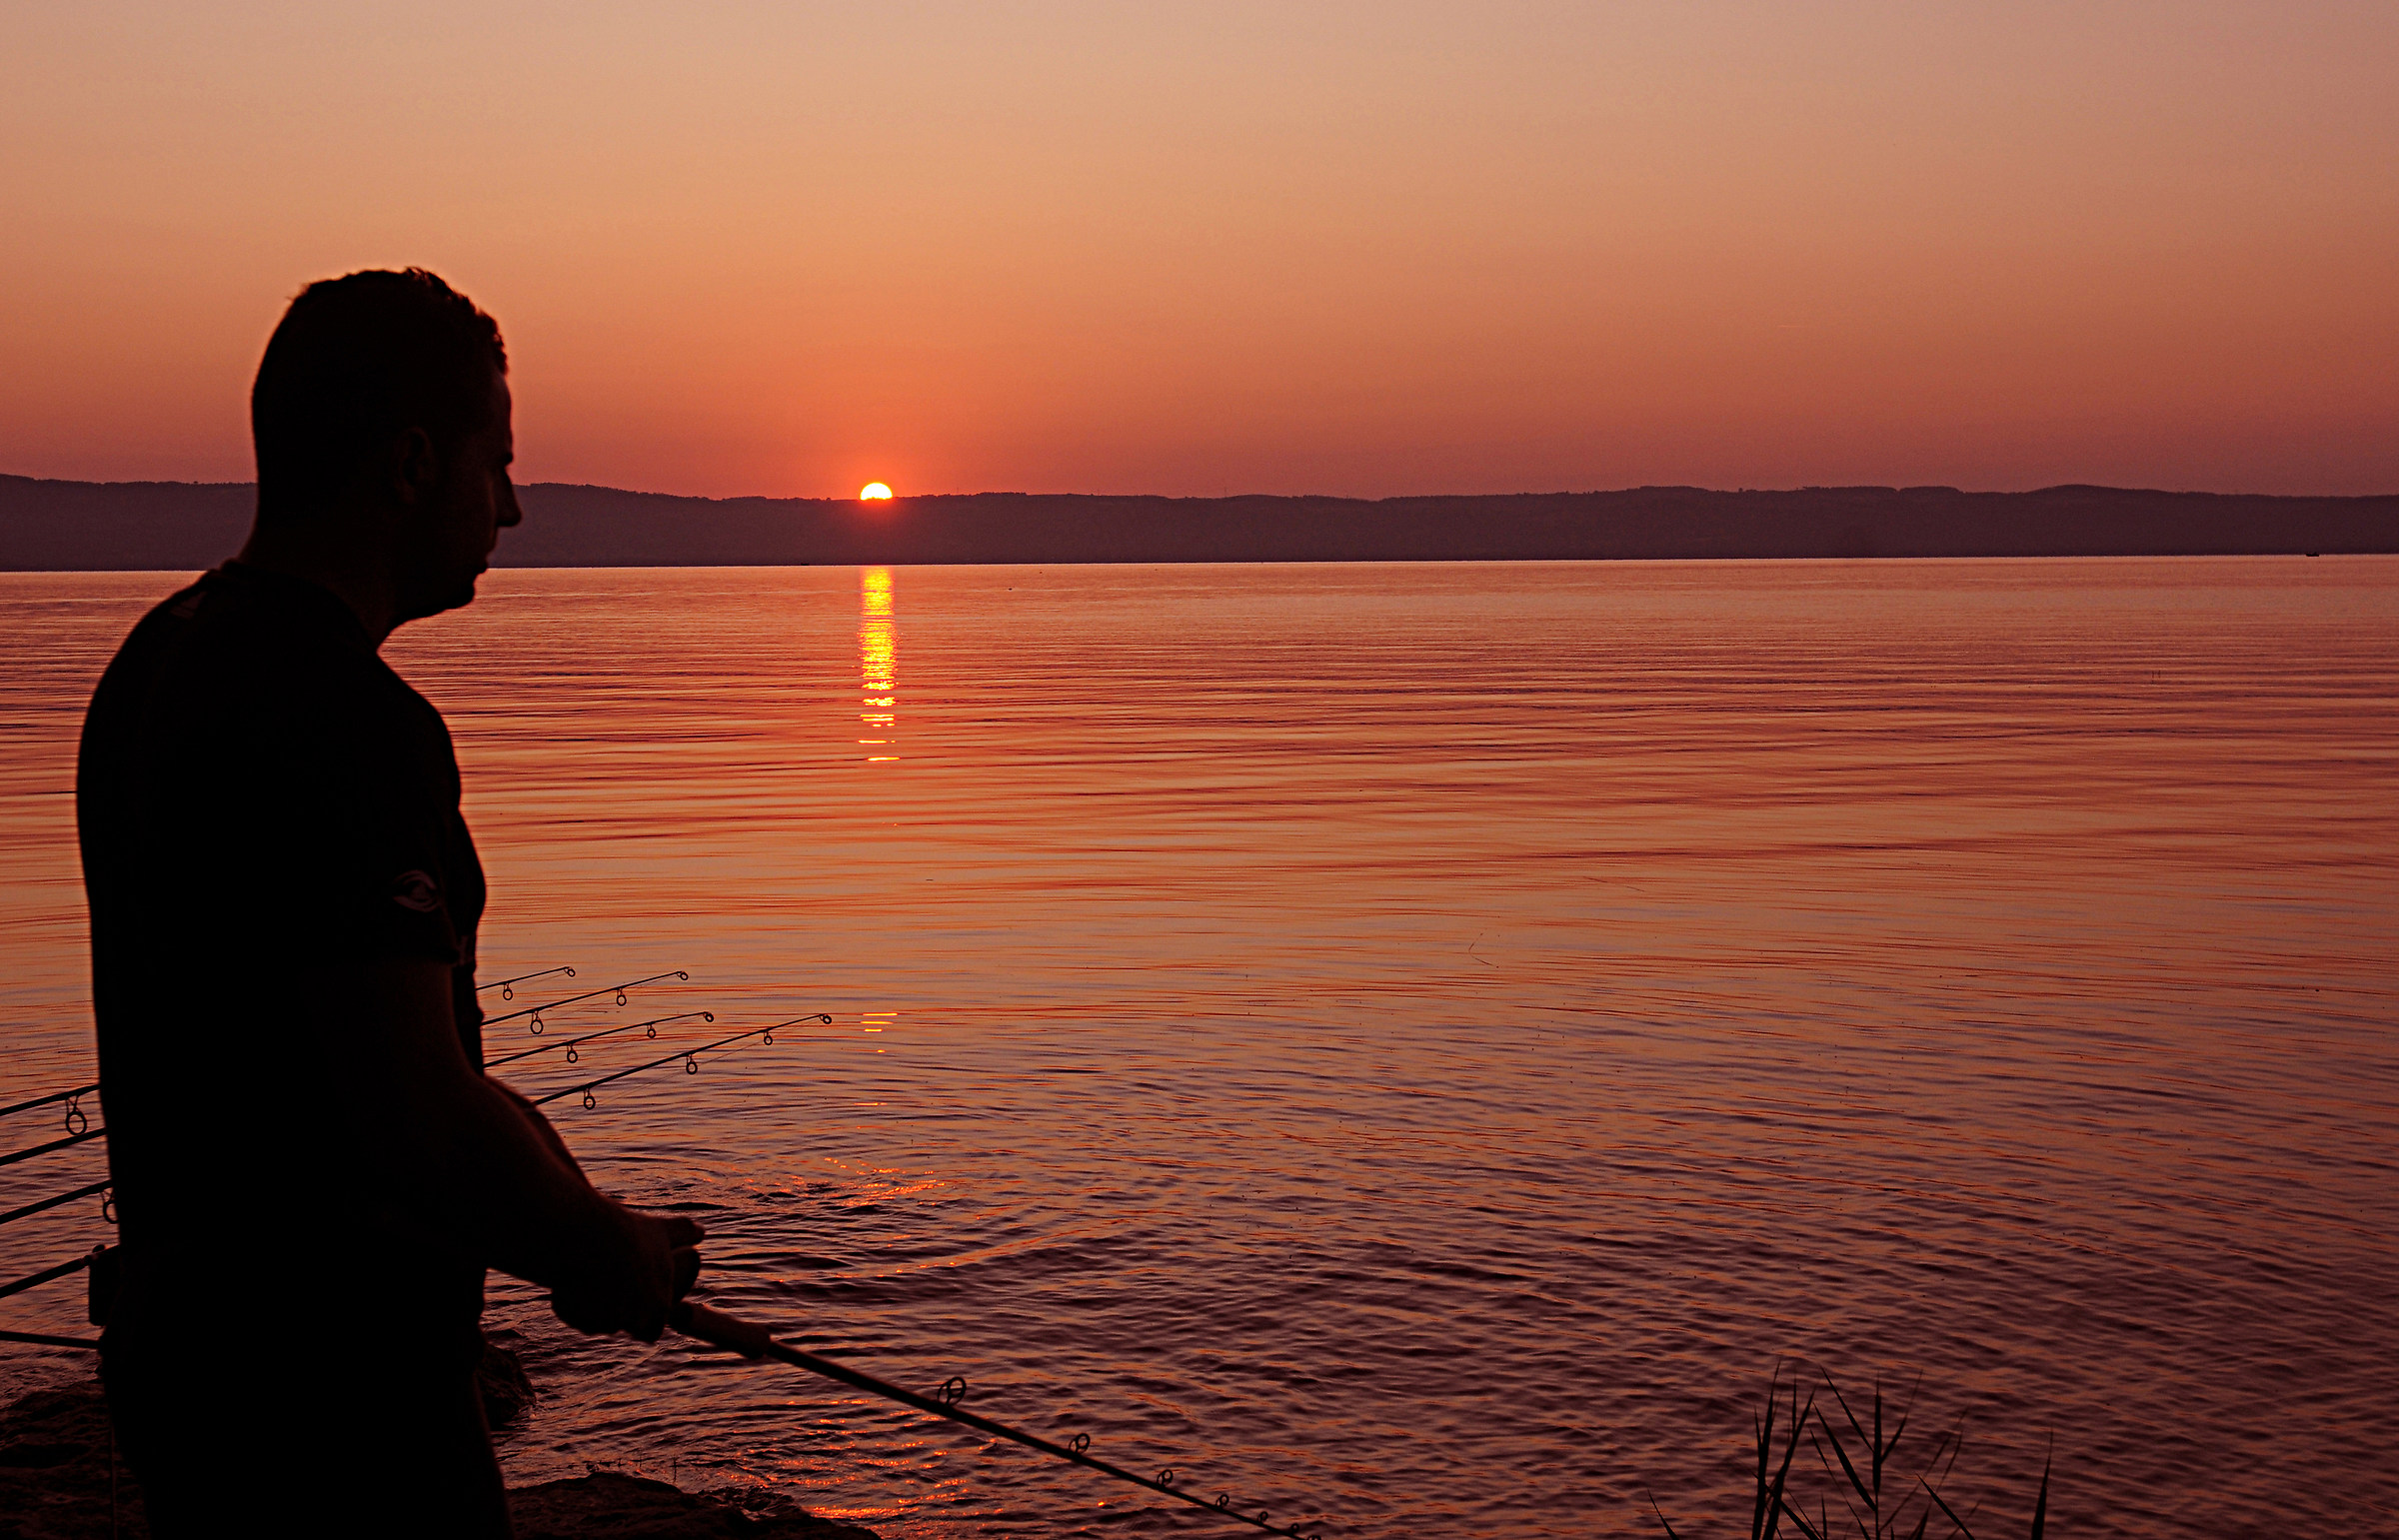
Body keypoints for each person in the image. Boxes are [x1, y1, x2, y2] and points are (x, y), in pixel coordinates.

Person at [76, 269, 702, 1537]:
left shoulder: (160, 658)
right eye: (498, 463)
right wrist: (596, 1250)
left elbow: (386, 1052)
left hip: (185, 1358)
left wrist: (584, 1219)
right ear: (414, 461)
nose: (514, 507)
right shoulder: (349, 724)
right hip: (333, 1401)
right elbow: (411, 1102)